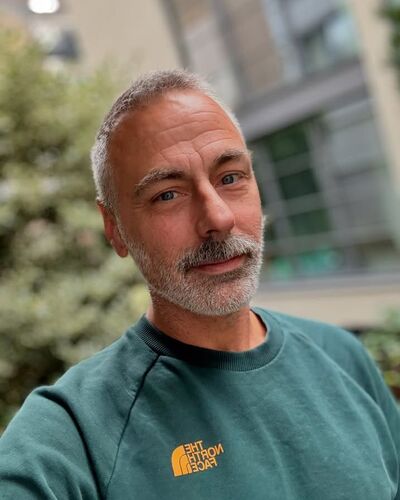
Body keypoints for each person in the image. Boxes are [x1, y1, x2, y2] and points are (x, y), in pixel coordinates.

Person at [0, 69, 399, 500]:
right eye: (168, 194)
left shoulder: (343, 357)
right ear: (114, 228)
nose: (218, 218)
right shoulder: (74, 434)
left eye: (230, 178)